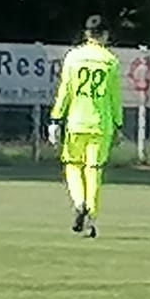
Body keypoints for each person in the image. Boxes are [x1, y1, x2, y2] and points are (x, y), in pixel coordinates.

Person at [47, 15, 123, 238]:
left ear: (86, 34)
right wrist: (118, 123)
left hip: (76, 122)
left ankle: (79, 202)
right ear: (105, 35)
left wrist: (55, 119)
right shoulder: (110, 60)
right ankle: (91, 215)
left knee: (72, 166)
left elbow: (65, 91)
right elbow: (115, 97)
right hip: (101, 123)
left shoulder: (73, 57)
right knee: (94, 171)